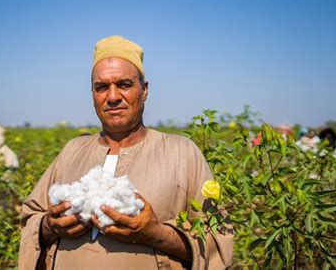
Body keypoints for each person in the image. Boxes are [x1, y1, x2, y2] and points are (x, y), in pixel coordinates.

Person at [18, 35, 233, 269]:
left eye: (124, 84)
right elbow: (31, 219)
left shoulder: (182, 152)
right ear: (92, 94)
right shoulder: (73, 150)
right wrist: (49, 226)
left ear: (145, 90)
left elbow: (216, 240)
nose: (112, 97)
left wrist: (154, 233)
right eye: (101, 87)